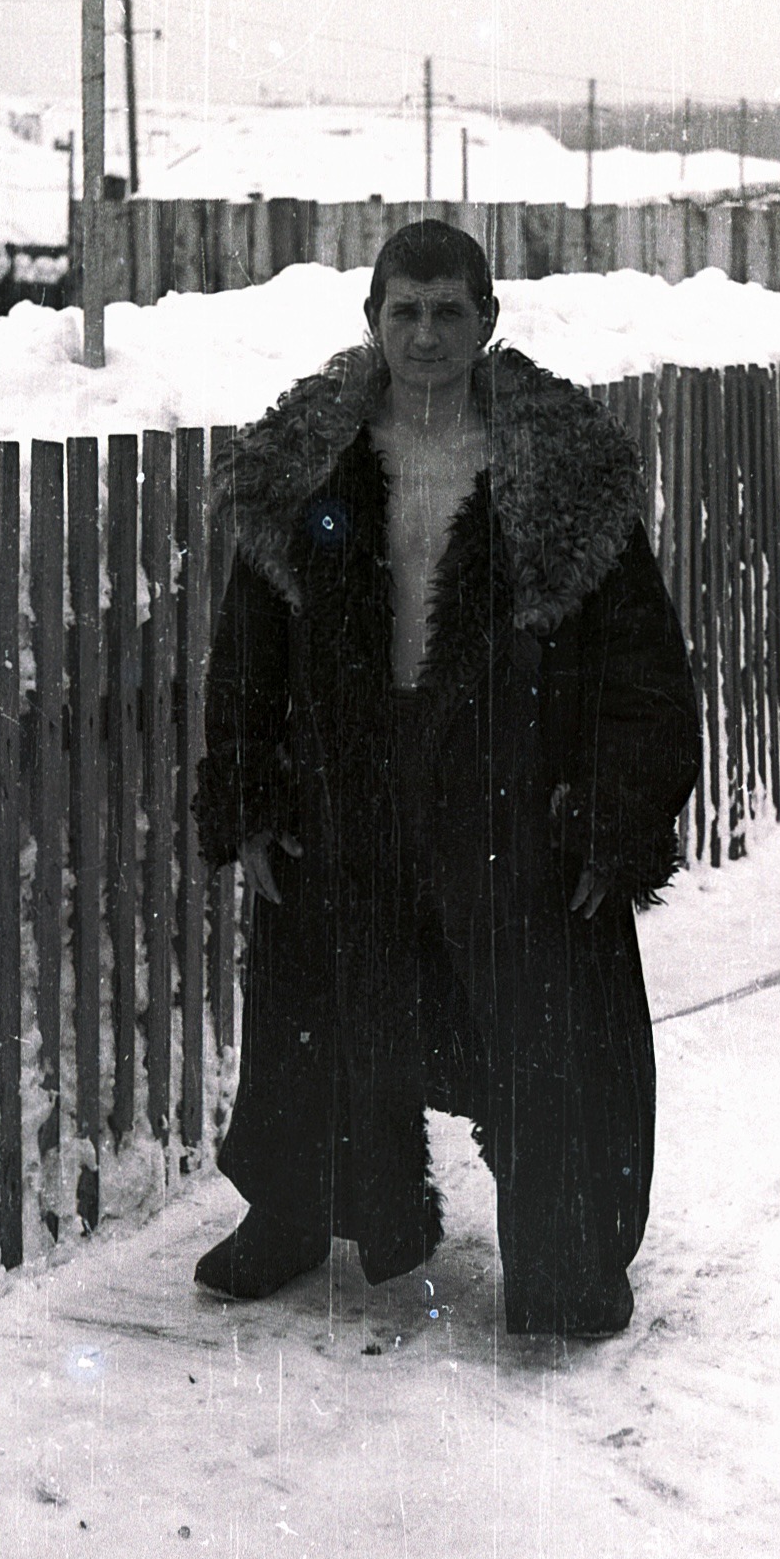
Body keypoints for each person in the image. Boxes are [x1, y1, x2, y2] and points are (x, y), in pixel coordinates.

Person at [192, 219, 701, 1337]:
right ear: (371, 322)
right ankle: (291, 1209)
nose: (424, 334)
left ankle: (569, 1252)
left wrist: (615, 822)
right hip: (349, 771)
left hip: (508, 782)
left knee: (542, 1018)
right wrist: (250, 800)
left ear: (487, 320)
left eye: (447, 311)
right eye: (402, 312)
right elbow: (250, 651)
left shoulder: (555, 471)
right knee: (313, 1000)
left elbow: (640, 666)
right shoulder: (310, 465)